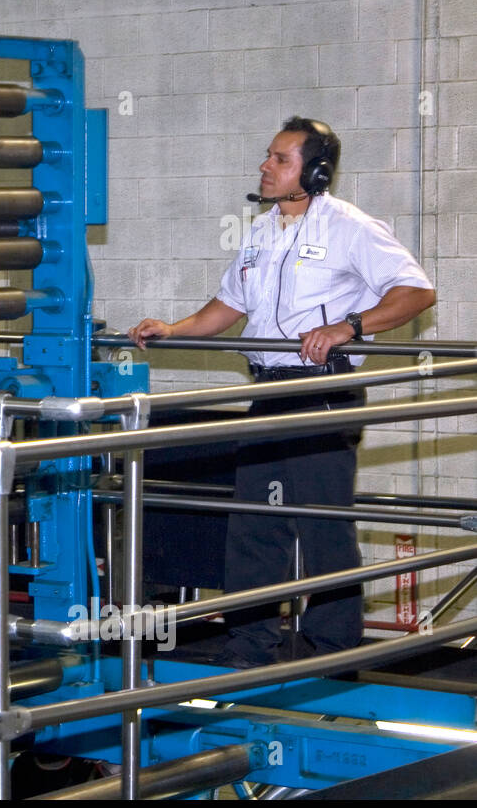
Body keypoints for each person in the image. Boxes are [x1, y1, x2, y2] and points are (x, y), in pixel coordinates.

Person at [127, 117, 436, 666]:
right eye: (267, 156)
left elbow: (416, 291)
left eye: (280, 159)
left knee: (321, 523)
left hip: (320, 393)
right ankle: (251, 643)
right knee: (254, 523)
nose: (265, 167)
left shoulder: (350, 227)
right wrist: (174, 328)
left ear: (315, 172)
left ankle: (335, 648)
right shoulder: (262, 230)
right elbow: (229, 306)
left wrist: (350, 328)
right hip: (269, 391)